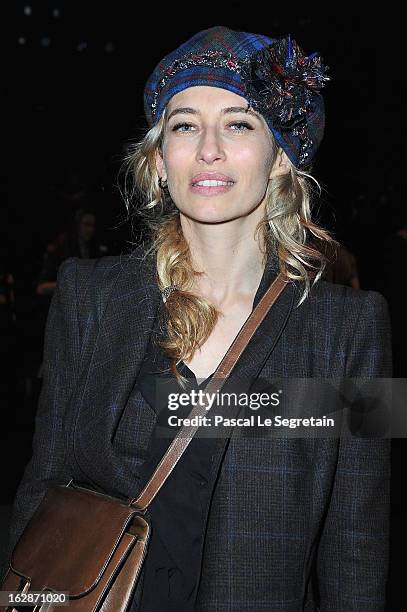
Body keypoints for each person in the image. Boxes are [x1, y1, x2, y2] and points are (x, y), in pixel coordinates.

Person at [4, 26, 392, 611]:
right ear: (160, 161)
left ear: (281, 159)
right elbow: (44, 486)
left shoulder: (350, 330)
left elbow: (356, 544)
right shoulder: (90, 299)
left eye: (238, 123)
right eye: (185, 125)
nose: (208, 148)